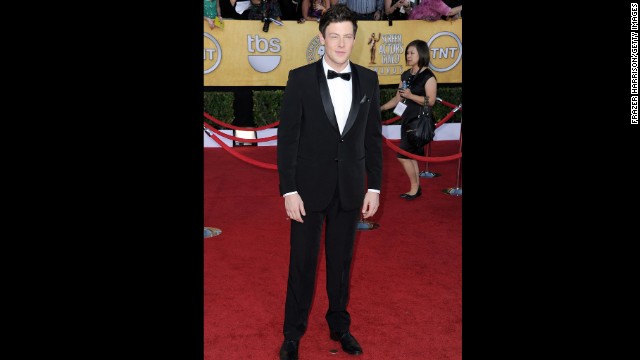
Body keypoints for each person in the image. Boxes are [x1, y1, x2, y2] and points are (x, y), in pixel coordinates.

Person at [276, 4, 383, 360]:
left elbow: (372, 139)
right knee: (302, 265)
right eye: (333, 36)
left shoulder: (368, 79)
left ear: (354, 38)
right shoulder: (301, 78)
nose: (340, 44)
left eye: (347, 36)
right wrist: (289, 190)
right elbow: (287, 138)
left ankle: (340, 327)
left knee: (340, 265)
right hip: (307, 190)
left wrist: (375, 186)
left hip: (350, 187)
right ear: (321, 38)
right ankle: (292, 334)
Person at [380, 39, 437, 200]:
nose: (408, 55)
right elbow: (398, 99)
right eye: (407, 53)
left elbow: (431, 101)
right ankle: (416, 188)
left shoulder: (428, 76)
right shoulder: (406, 74)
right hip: (406, 120)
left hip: (419, 122)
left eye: (412, 53)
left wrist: (411, 95)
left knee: (403, 156)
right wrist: (381, 108)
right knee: (410, 156)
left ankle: (414, 188)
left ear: (422, 54)